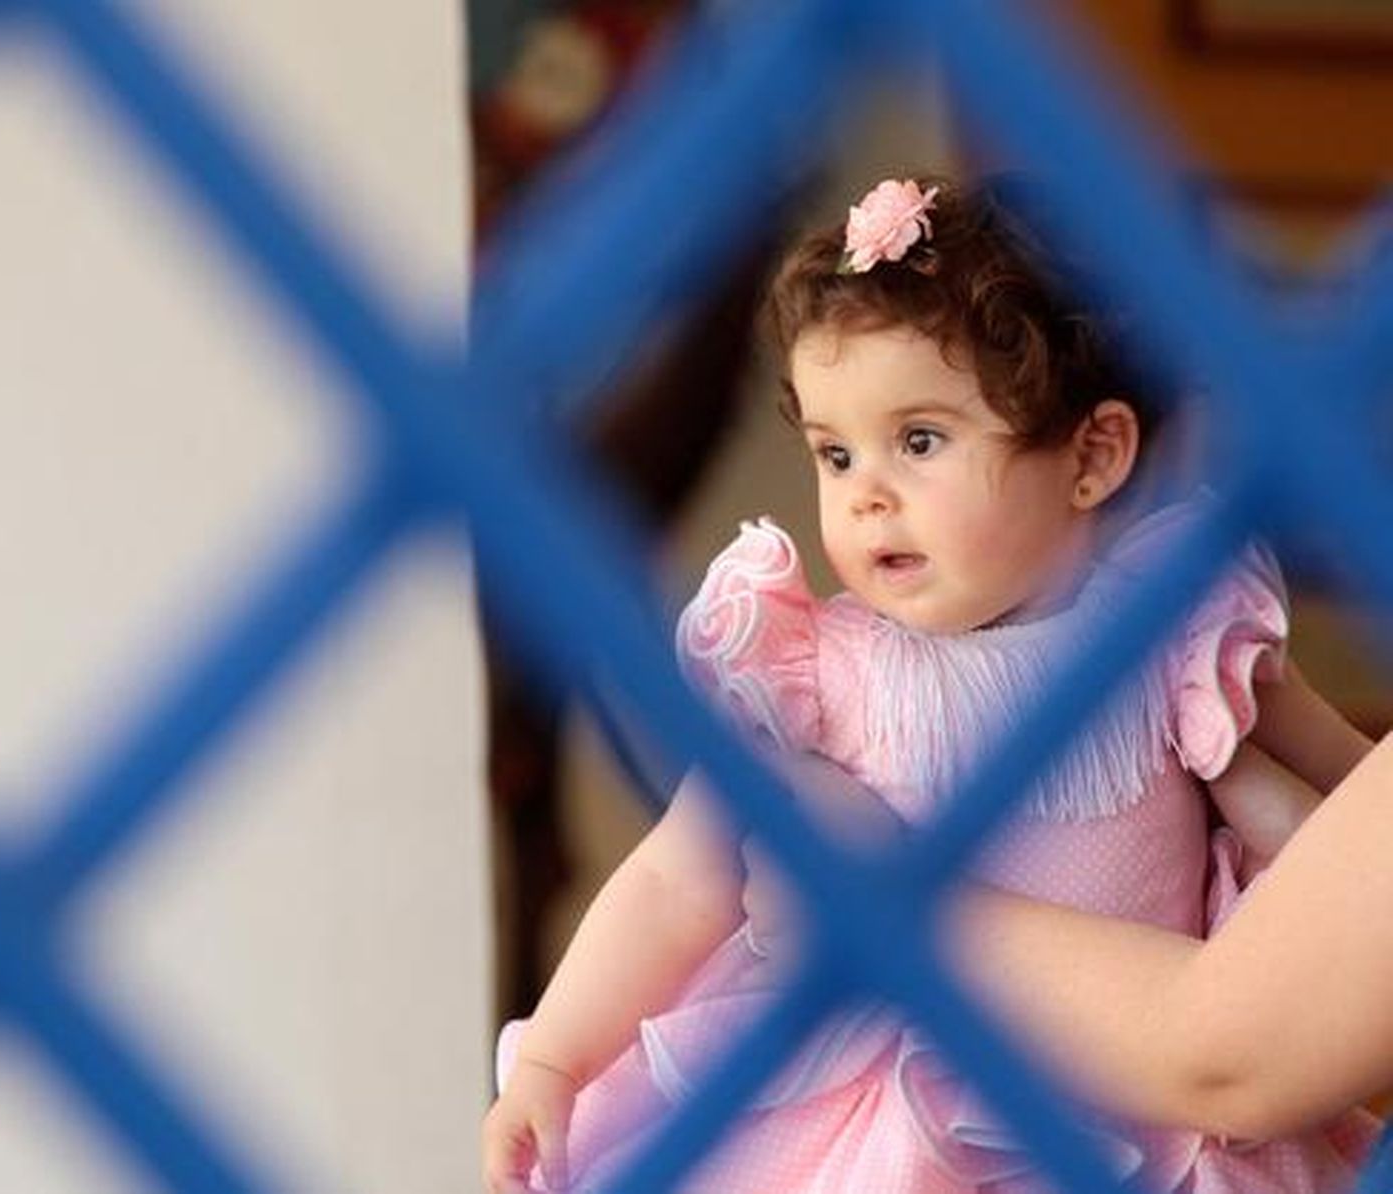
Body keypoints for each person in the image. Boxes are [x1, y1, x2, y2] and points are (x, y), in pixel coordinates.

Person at [481, 174, 1380, 1192]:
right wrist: (553, 1058)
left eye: (917, 442)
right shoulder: (814, 671)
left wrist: (1270, 811)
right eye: (833, 453)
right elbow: (674, 880)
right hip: (902, 1122)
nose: (865, 496)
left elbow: (1364, 818)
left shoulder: (1172, 630)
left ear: (1092, 456)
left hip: (1151, 1117)